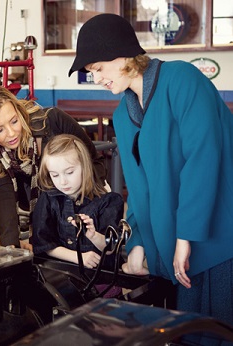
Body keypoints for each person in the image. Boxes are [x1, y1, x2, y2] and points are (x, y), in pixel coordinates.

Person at [69, 13, 233, 326]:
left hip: (218, 238)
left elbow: (202, 159)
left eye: (98, 68)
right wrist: (138, 244)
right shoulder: (122, 115)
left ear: (122, 54)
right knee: (188, 331)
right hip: (176, 252)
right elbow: (139, 188)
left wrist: (185, 237)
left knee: (221, 328)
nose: (97, 79)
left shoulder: (182, 79)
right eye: (92, 73)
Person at [0, 84, 107, 248]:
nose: (11, 133)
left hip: (79, 219)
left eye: (14, 121)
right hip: (37, 237)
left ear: (19, 111)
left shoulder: (53, 121)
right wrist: (14, 253)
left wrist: (78, 208)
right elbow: (6, 214)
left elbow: (95, 163)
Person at [31, 134, 124, 269]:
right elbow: (42, 245)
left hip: (102, 277)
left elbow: (110, 248)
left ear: (84, 166)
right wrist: (78, 257)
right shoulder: (47, 199)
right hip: (62, 277)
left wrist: (94, 236)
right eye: (55, 175)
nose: (62, 181)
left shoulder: (109, 201)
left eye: (69, 172)